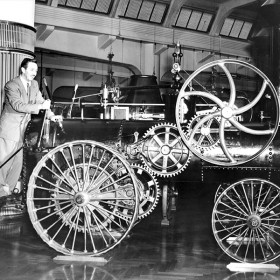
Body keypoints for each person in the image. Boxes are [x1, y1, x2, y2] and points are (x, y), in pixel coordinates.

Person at [0, 57, 62, 204]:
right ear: (23, 69)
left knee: (18, 163)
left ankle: (6, 193)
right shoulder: (11, 85)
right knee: (5, 162)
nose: (35, 73)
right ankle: (1, 192)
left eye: (36, 70)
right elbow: (18, 105)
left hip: (24, 130)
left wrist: (52, 116)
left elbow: (41, 102)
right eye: (32, 70)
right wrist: (41, 107)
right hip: (10, 128)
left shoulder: (34, 85)